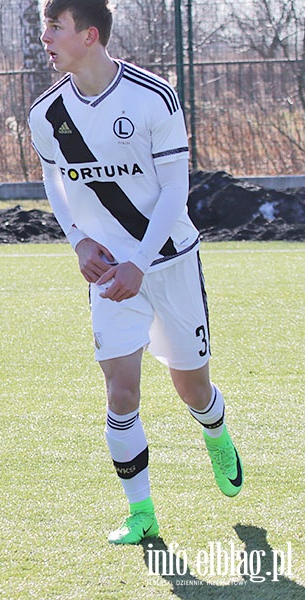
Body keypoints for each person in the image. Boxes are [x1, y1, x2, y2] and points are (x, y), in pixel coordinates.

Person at [28, 0, 243, 545]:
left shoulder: (153, 97)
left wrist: (139, 263)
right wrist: (79, 241)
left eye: (56, 27)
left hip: (167, 264)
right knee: (121, 393)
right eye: (45, 27)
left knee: (192, 388)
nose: (46, 38)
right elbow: (54, 181)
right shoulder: (46, 114)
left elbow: (175, 189)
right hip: (108, 277)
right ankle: (140, 511)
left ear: (90, 35)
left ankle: (215, 431)